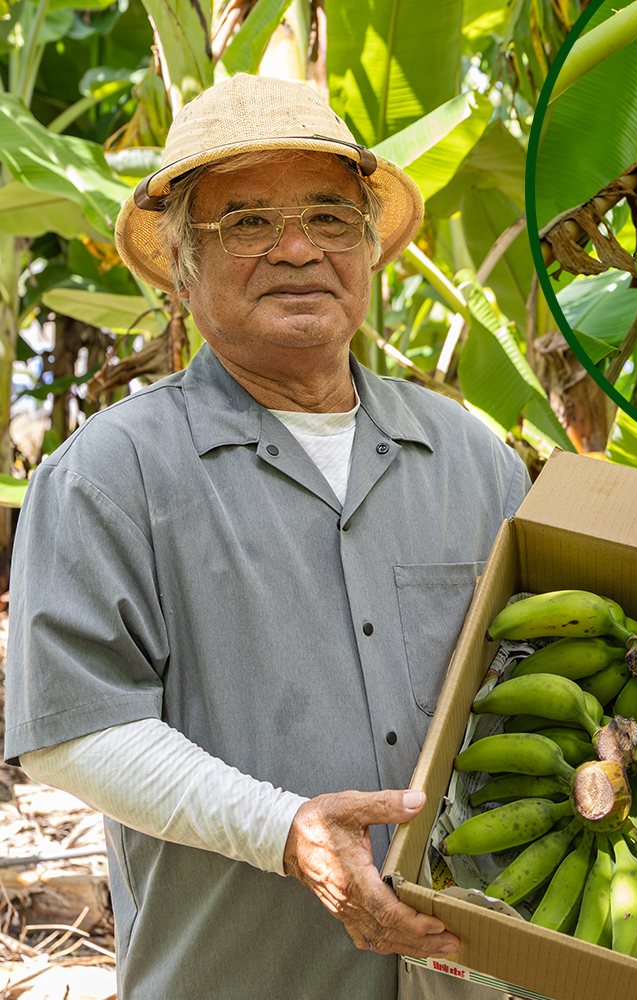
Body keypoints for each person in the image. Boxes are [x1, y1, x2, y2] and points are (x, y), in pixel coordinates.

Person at [3, 72, 531, 1000]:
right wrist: (282, 828)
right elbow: (74, 734)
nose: (297, 249)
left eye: (330, 218)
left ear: (369, 249)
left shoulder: (473, 456)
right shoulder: (111, 471)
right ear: (185, 265)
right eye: (246, 223)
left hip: (464, 978)